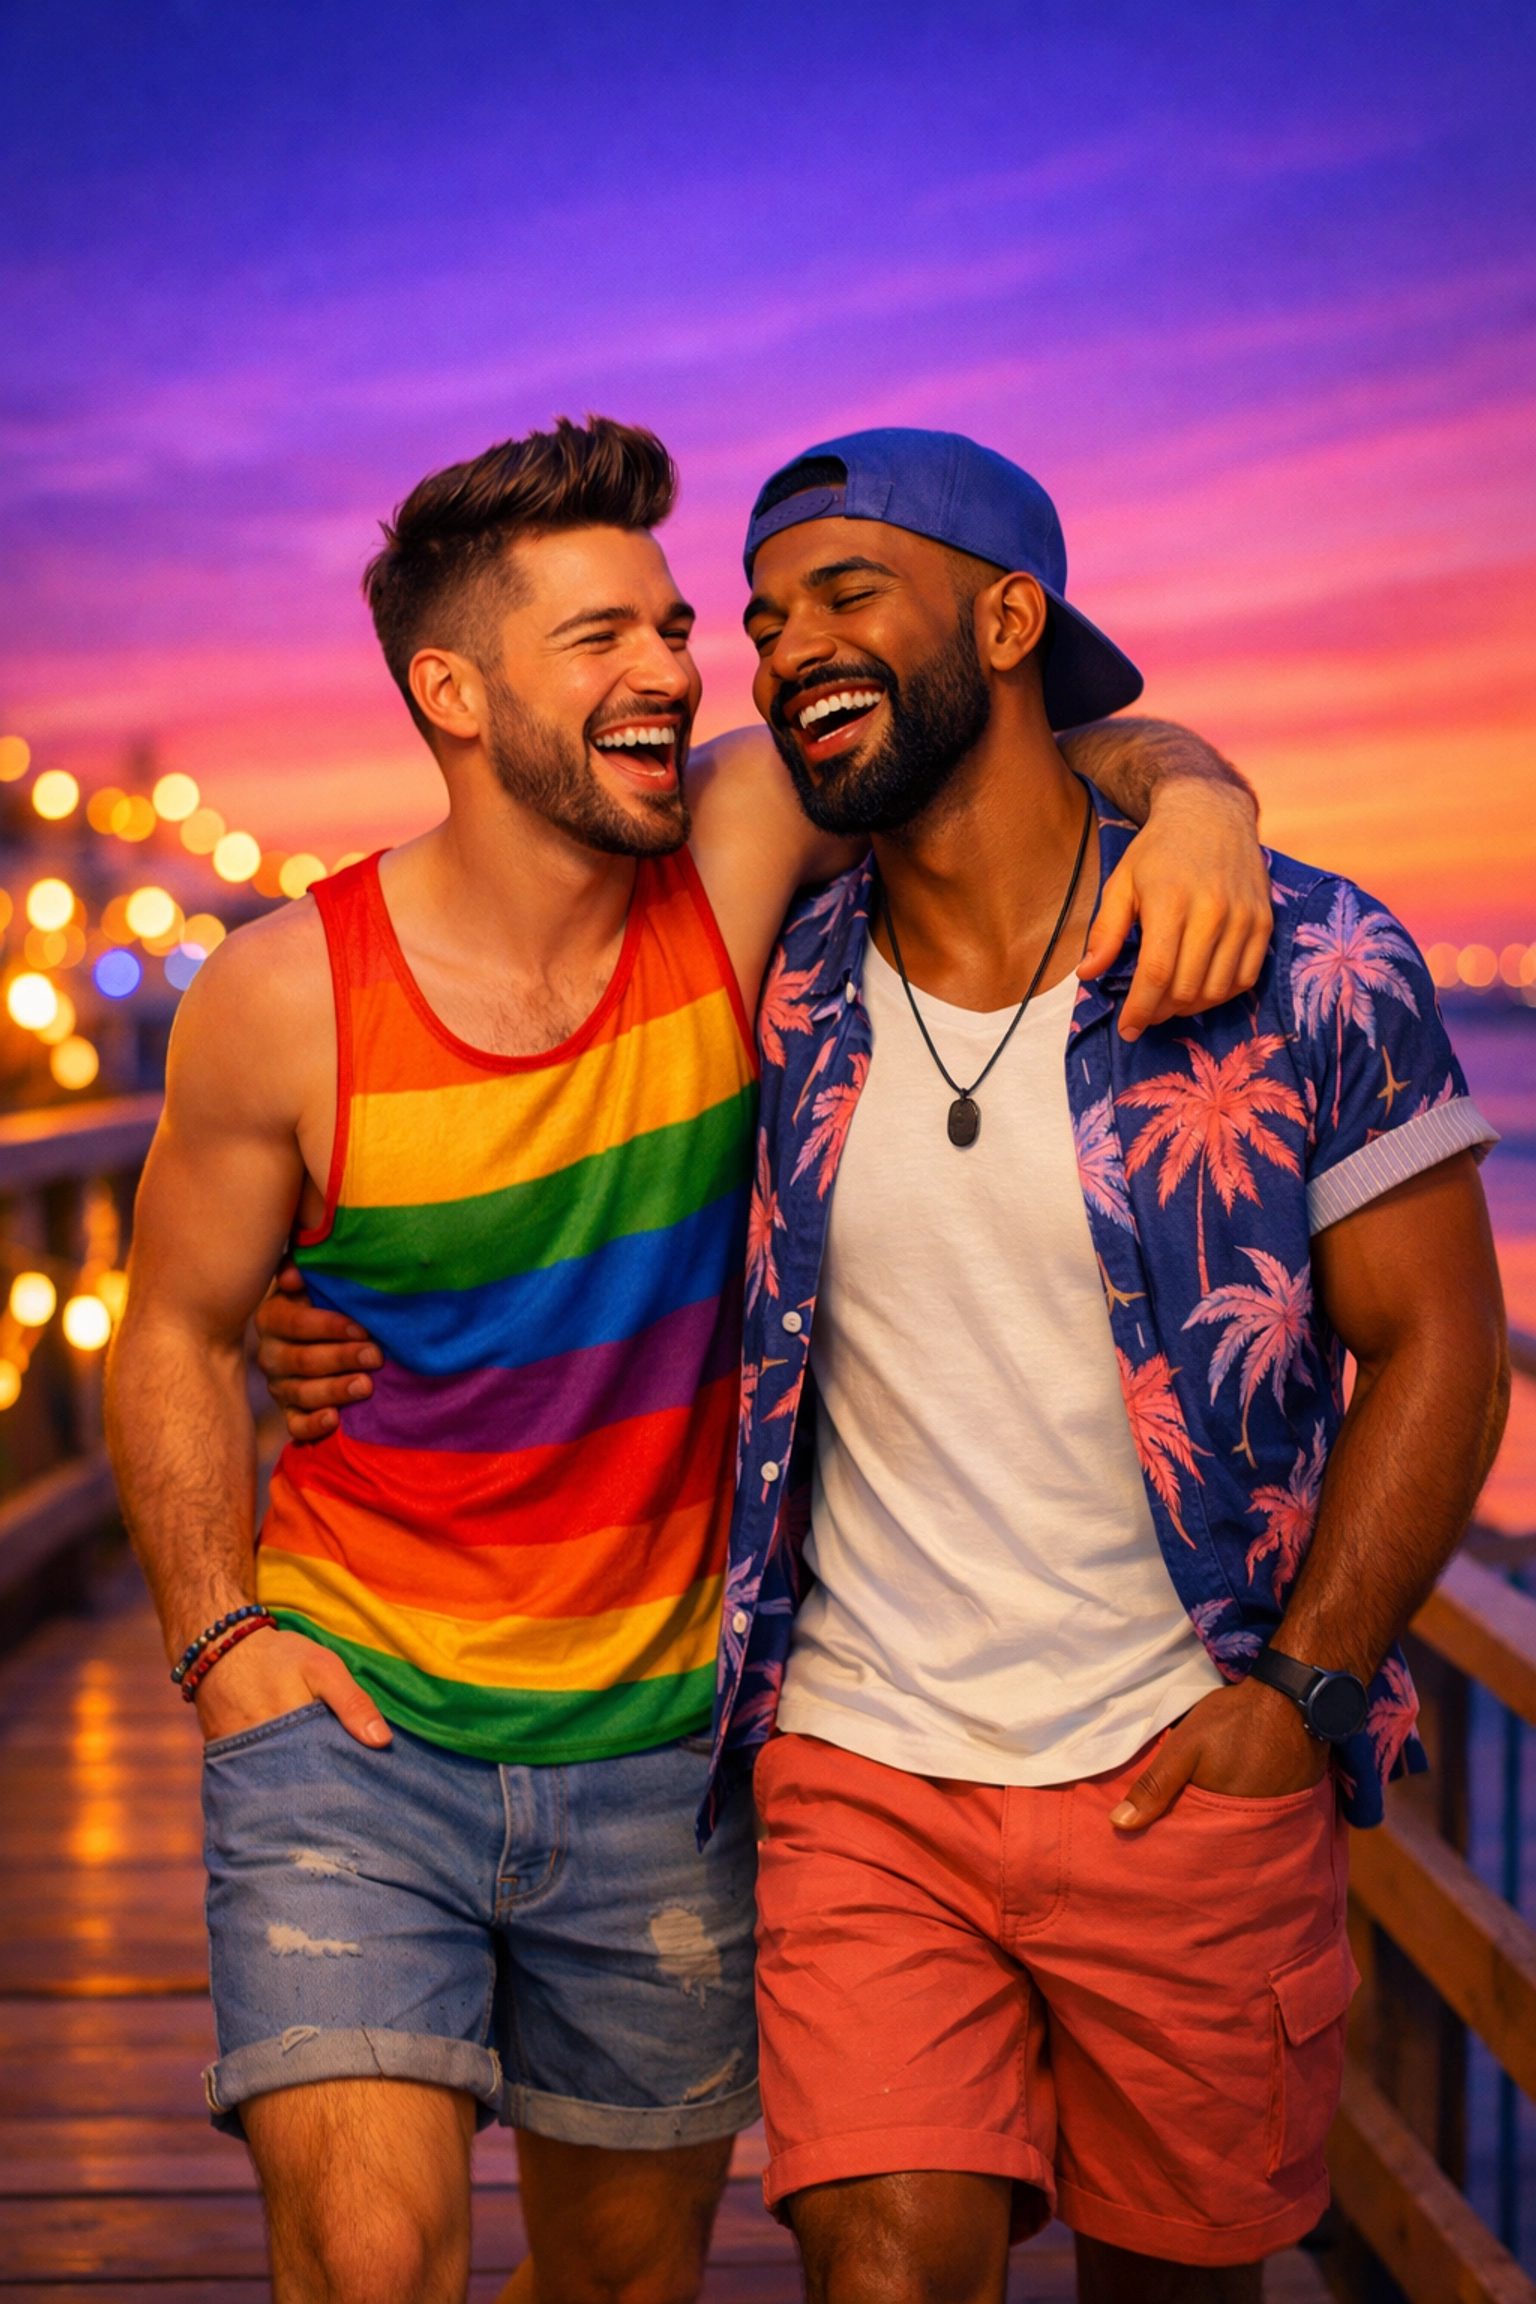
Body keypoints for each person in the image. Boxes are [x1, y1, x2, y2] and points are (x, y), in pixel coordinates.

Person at [108, 414, 1270, 2304]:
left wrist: (1209, 806)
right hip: (356, 1732)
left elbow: (1032, 739)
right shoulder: (285, 998)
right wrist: (220, 1632)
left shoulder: (736, 855)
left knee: (626, 2282)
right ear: (453, 691)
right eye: (605, 640)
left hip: (667, 1753)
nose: (675, 669)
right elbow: (174, 1326)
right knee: (370, 2257)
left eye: (674, 626)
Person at [687, 428, 1506, 2304]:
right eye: (761, 613)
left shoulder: (1305, 954)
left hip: (1181, 1766)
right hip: (863, 1767)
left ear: (1006, 614)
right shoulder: (782, 977)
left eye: (842, 593)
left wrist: (1300, 1692)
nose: (782, 641)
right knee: (884, 2273)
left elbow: (1443, 1343)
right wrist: (338, 1314)